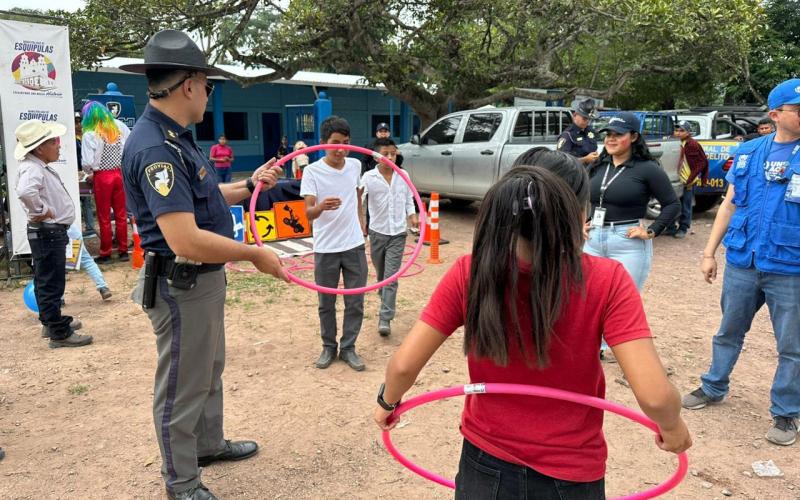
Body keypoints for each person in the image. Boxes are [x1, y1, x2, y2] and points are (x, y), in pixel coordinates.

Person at [374, 166, 691, 498]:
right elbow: (654, 396)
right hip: (570, 470)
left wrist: (388, 401)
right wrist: (672, 427)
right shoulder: (607, 279)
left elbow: (403, 366)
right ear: (572, 215)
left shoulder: (469, 273)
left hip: (485, 463)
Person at [119, 29, 288, 500]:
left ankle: (208, 445)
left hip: (202, 283)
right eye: (208, 84)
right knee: (182, 386)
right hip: (182, 283)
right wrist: (255, 253)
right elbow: (185, 239)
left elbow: (205, 198)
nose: (209, 94)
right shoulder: (156, 148)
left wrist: (250, 183)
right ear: (191, 84)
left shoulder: (176, 138)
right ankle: (182, 481)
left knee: (208, 368)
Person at [683, 78, 800, 447]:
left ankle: (785, 413)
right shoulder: (749, 152)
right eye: (798, 110)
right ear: (776, 114)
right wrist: (708, 252)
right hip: (743, 261)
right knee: (728, 331)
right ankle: (713, 386)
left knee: (792, 347)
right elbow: (729, 205)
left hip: (790, 267)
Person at [584, 112, 680, 360]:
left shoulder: (647, 169)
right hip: (594, 240)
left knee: (621, 299)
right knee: (588, 296)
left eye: (618, 134)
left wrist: (650, 231)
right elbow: (591, 200)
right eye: (608, 134)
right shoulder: (599, 165)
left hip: (627, 242)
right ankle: (591, 344)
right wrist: (582, 223)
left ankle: (612, 347)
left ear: (634, 137)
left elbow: (671, 204)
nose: (611, 139)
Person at [14, 119, 93, 349]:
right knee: (51, 282)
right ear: (40, 148)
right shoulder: (33, 168)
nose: (59, 145)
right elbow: (26, 192)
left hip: (49, 233)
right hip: (48, 233)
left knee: (46, 280)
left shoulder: (37, 167)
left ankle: (51, 322)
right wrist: (41, 211)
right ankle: (59, 332)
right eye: (54, 142)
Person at [300, 115, 368, 371]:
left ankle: (348, 347)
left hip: (353, 245)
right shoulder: (312, 170)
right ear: (322, 143)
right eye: (336, 143)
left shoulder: (354, 165)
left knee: (355, 301)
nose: (341, 149)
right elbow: (307, 213)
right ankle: (329, 347)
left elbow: (357, 195)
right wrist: (321, 207)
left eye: (346, 143)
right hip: (326, 248)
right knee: (326, 302)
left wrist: (361, 222)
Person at [361, 138, 419, 337]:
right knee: (381, 274)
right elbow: (358, 200)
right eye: (385, 153)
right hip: (377, 233)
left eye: (393, 153)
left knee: (391, 277)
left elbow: (409, 198)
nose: (390, 157)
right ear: (377, 156)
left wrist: (412, 215)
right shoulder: (368, 177)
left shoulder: (404, 175)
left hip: (398, 233)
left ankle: (385, 317)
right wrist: (361, 226)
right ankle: (384, 293)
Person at [81, 101, 131, 264]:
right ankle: (124, 250)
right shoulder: (119, 126)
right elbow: (130, 146)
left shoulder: (91, 132)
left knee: (103, 216)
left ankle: (106, 252)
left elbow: (87, 162)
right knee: (121, 214)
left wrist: (89, 172)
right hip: (119, 173)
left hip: (102, 176)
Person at [670, 121, 709, 238]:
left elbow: (702, 162)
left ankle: (683, 228)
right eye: (676, 130)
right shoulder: (673, 143)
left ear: (688, 132)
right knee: (672, 204)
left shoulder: (693, 144)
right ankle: (671, 227)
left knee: (686, 205)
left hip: (688, 180)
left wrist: (692, 178)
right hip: (675, 179)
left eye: (682, 130)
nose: (678, 133)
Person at [67, 225, 112, 300]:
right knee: (87, 260)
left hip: (53, 236)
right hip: (72, 232)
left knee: (55, 266)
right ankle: (103, 287)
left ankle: (59, 298)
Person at [557, 98, 600, 165]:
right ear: (575, 115)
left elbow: (593, 150)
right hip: (575, 173)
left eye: (589, 119)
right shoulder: (568, 135)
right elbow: (562, 161)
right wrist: (585, 159)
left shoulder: (590, 132)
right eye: (584, 118)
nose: (587, 121)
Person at [75, 111, 96, 238]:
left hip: (87, 174)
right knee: (76, 201)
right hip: (75, 173)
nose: (78, 125)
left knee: (87, 200)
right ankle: (77, 229)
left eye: (80, 121)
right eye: (76, 122)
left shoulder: (87, 137)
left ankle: (90, 228)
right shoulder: (71, 139)